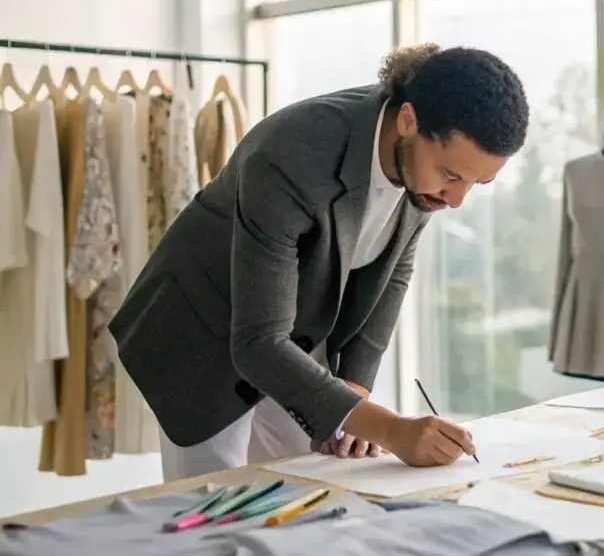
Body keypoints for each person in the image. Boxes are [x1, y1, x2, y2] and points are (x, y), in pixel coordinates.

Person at [108, 44, 530, 482]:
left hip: (287, 337)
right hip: (202, 333)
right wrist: (390, 428)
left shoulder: (422, 170)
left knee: (305, 489)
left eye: (477, 183)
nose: (457, 200)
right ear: (408, 121)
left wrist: (354, 393)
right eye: (450, 176)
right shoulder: (291, 153)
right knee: (217, 515)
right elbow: (257, 343)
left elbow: (391, 276)